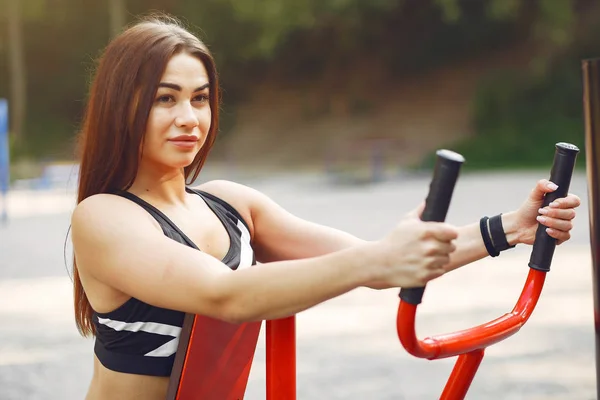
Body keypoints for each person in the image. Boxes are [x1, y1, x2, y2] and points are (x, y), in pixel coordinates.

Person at [69, 14, 581, 400]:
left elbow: (382, 263)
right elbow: (226, 296)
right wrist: (375, 260)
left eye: (200, 99)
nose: (189, 118)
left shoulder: (231, 204)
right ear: (123, 105)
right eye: (166, 99)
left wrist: (511, 228)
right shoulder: (104, 217)